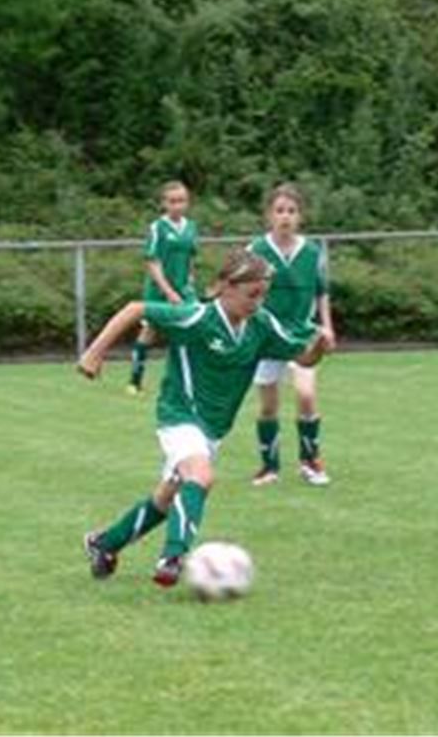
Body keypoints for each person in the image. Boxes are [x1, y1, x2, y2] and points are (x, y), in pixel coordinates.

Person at [81, 248, 327, 587]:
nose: (257, 302)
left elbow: (303, 356)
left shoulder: (261, 325)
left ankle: (104, 543)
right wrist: (95, 353)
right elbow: (135, 309)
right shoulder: (197, 318)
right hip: (179, 415)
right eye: (251, 294)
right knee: (201, 475)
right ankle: (173, 557)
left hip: (212, 429)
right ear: (225, 287)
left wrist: (319, 348)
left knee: (166, 498)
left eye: (263, 295)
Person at [247, 183, 336, 487]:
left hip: (302, 335)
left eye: (291, 211)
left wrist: (327, 326)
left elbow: (322, 292)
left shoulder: (312, 252)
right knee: (269, 406)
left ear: (300, 216)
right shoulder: (256, 250)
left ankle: (310, 461)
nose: (285, 217)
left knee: (306, 395)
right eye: (279, 210)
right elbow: (245, 292)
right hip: (268, 337)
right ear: (269, 216)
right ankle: (269, 467)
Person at [127, 181, 200, 395]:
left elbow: (191, 258)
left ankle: (185, 382)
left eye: (182, 200)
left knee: (191, 330)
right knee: (150, 331)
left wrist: (190, 282)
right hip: (160, 291)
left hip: (183, 290)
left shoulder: (191, 227)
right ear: (164, 204)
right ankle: (135, 379)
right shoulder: (157, 228)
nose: (178, 205)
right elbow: (153, 262)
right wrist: (168, 291)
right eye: (173, 201)